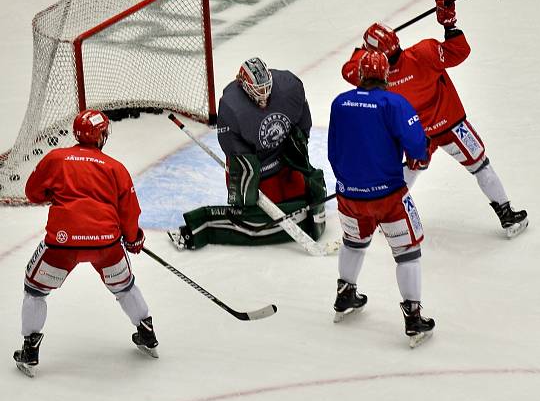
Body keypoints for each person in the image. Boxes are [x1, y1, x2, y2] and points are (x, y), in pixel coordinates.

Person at [341, 0, 528, 238]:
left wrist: (362, 52)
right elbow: (460, 51)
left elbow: (348, 70)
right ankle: (506, 214)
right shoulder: (424, 53)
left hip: (416, 134)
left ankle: (387, 217)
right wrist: (449, 24)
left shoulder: (376, 78)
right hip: (451, 123)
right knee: (481, 166)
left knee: (408, 172)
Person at [15, 110, 157, 377]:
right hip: (107, 245)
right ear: (99, 135)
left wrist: (52, 194)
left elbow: (32, 192)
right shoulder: (115, 167)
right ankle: (146, 331)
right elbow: (129, 211)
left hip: (62, 244)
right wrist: (133, 237)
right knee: (125, 287)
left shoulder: (56, 158)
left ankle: (30, 348)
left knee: (34, 290)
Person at [328, 50, 434, 347]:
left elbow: (333, 150)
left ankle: (345, 293)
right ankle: (413, 317)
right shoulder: (395, 102)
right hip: (388, 196)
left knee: (353, 243)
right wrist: (419, 156)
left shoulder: (340, 102)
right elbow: (417, 147)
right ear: (386, 75)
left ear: (360, 74)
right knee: (408, 252)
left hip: (349, 195)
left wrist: (351, 182)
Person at [169, 57, 327, 250]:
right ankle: (203, 226)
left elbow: (302, 117)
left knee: (300, 199)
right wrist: (250, 175)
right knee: (257, 216)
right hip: (255, 167)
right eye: (258, 92)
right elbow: (233, 149)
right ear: (244, 86)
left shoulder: (289, 87)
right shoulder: (231, 106)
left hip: (283, 159)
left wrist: (300, 140)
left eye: (266, 89)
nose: (263, 96)